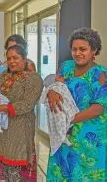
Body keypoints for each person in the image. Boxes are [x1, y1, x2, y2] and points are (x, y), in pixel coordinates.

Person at [46, 28, 107, 182]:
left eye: (83, 49)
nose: (77, 53)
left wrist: (69, 119)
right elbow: (56, 85)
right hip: (63, 135)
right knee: (62, 173)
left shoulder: (100, 74)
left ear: (94, 50)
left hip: (88, 137)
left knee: (85, 176)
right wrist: (51, 92)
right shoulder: (65, 67)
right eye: (74, 49)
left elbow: (99, 108)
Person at [0, 45, 43, 182]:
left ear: (24, 58)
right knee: (4, 171)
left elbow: (27, 104)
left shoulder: (33, 78)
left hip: (20, 128)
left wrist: (0, 108)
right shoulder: (3, 76)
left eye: (16, 57)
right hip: (2, 129)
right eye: (9, 58)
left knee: (17, 167)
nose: (12, 61)